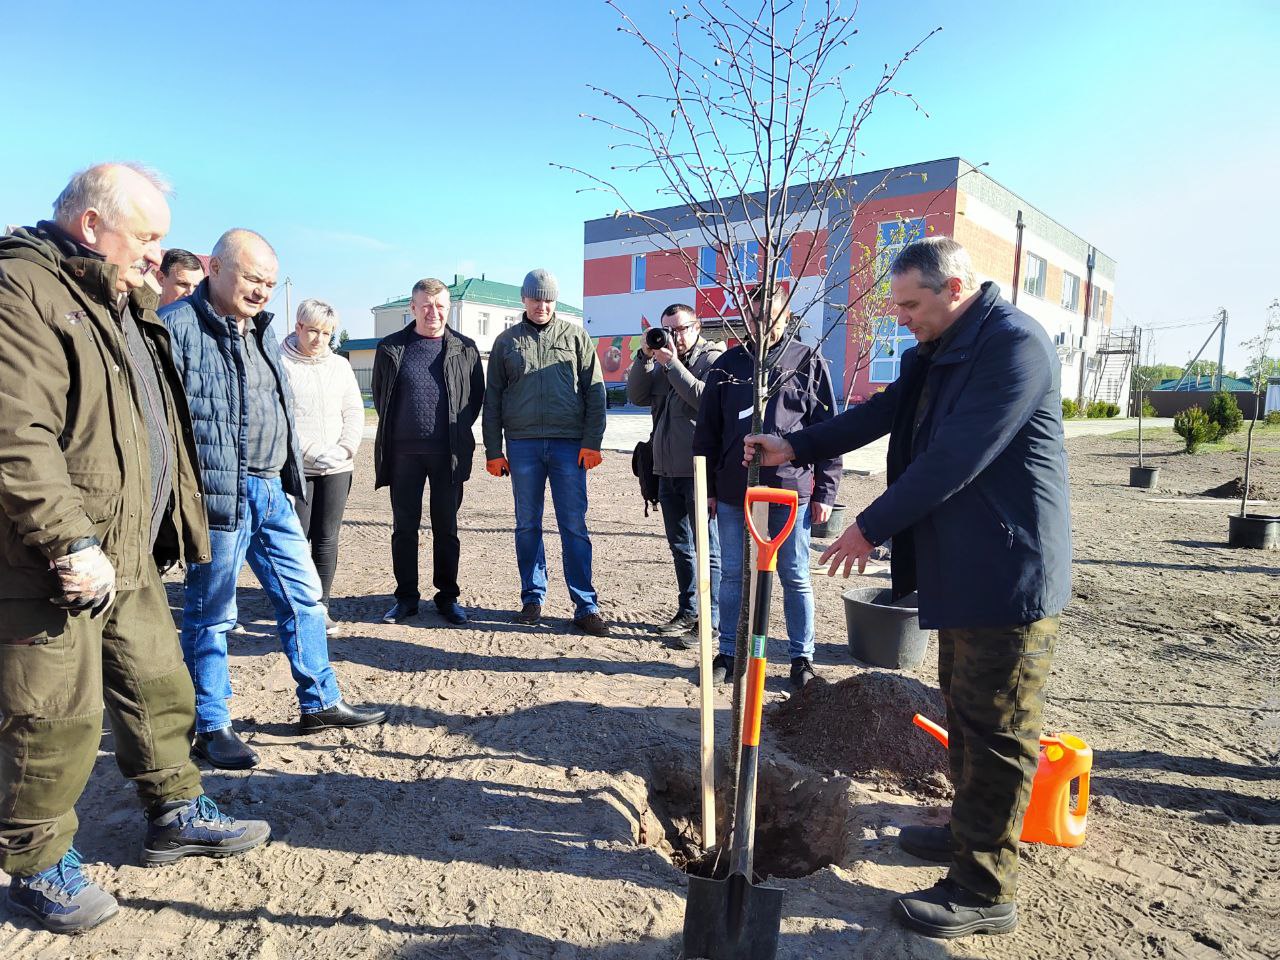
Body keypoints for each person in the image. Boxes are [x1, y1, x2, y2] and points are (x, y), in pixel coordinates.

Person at [744, 236, 1072, 938]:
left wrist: (870, 527)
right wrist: (796, 445)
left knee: (998, 732)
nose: (902, 319)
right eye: (897, 306)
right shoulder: (945, 345)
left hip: (1007, 574)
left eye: (911, 305)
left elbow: (956, 457)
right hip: (963, 567)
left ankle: (985, 890)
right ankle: (967, 831)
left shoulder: (1014, 347)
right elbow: (882, 412)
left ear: (954, 288)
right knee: (964, 714)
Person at [0, 163, 268, 934]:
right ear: (91, 225)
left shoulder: (116, 300)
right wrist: (68, 538)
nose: (158, 253)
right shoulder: (24, 290)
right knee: (51, 714)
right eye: (145, 237)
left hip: (128, 544)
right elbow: (16, 431)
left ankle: (177, 810)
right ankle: (37, 863)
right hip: (52, 555)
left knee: (158, 685)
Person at [162, 228, 385, 772]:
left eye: (268, 281)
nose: (262, 291)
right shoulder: (176, 329)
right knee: (212, 613)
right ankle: (210, 725)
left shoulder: (260, 332)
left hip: (271, 489)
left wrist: (289, 474)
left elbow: (275, 404)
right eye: (251, 278)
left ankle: (319, 700)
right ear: (214, 268)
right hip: (217, 493)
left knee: (305, 597)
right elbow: (160, 421)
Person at [693, 284, 840, 691]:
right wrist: (707, 487)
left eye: (770, 317)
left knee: (795, 575)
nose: (762, 326)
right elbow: (707, 432)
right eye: (754, 318)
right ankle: (728, 652)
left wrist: (826, 490)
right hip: (733, 492)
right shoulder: (726, 366)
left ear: (786, 315)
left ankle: (801, 659)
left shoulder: (806, 362)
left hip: (789, 492)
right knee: (732, 576)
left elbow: (828, 431)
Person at [482, 268, 610, 636]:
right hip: (522, 446)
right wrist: (493, 449)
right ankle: (532, 597)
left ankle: (585, 605)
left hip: (569, 446)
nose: (542, 305)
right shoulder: (507, 342)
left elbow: (596, 393)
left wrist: (592, 442)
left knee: (573, 526)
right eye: (536, 298)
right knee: (527, 524)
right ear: (523, 299)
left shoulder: (576, 338)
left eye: (548, 299)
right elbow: (492, 400)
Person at [371, 278, 484, 626]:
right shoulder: (391, 348)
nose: (433, 313)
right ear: (413, 307)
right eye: (426, 306)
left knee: (446, 527)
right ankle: (406, 598)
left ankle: (447, 598)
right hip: (404, 454)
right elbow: (381, 397)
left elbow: (474, 399)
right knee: (404, 527)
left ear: (447, 308)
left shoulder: (465, 348)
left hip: (447, 453)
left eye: (440, 306)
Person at [626, 303, 724, 645]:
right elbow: (636, 395)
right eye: (668, 329)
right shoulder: (660, 360)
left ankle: (711, 622)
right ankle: (689, 610)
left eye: (681, 329)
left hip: (700, 472)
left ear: (696, 327)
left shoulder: (712, 360)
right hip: (665, 469)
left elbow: (703, 399)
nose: (674, 336)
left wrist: (673, 364)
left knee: (708, 549)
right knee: (681, 546)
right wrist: (644, 356)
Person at [280, 298, 364, 636]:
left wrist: (345, 449)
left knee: (327, 539)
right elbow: (280, 418)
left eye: (326, 333)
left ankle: (321, 606)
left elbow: (354, 411)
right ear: (299, 326)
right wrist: (311, 452)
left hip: (338, 467)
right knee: (297, 540)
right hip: (299, 467)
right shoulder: (280, 362)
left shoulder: (339, 366)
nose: (319, 339)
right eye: (313, 330)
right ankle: (296, 605)